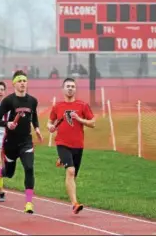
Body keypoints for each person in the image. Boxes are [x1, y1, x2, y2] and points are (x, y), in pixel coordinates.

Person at [0, 70, 43, 214]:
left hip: (26, 141)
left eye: (24, 81)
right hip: (10, 143)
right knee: (9, 173)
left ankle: (29, 203)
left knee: (29, 168)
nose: (22, 83)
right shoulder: (9, 100)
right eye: (20, 81)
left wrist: (37, 128)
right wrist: (7, 124)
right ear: (14, 83)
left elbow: (33, 117)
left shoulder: (32, 101)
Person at [47, 77, 95, 214]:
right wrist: (51, 127)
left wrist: (79, 119)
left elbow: (93, 123)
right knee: (70, 171)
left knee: (73, 176)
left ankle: (62, 160)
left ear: (75, 89)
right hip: (62, 143)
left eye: (72, 86)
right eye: (67, 86)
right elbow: (50, 122)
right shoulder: (57, 107)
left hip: (78, 145)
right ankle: (75, 203)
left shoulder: (82, 105)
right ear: (63, 89)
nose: (70, 88)